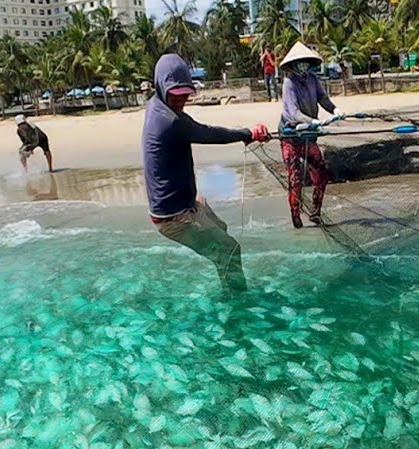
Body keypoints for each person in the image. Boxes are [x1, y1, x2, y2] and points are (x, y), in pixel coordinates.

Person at [142, 53, 270, 292]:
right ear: (161, 86)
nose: (181, 101)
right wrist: (248, 133)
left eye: (185, 95)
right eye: (175, 95)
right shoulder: (169, 122)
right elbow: (209, 134)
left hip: (185, 205)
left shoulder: (156, 104)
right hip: (174, 219)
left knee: (220, 229)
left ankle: (228, 287)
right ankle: (239, 307)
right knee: (231, 249)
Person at [279, 41, 344, 228]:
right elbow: (293, 112)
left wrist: (335, 110)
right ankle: (296, 220)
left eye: (305, 62)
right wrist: (313, 121)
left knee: (321, 173)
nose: (303, 66)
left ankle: (316, 212)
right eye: (299, 63)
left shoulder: (313, 80)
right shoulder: (289, 83)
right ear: (292, 65)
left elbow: (323, 99)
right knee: (295, 178)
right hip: (291, 135)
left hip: (308, 137)